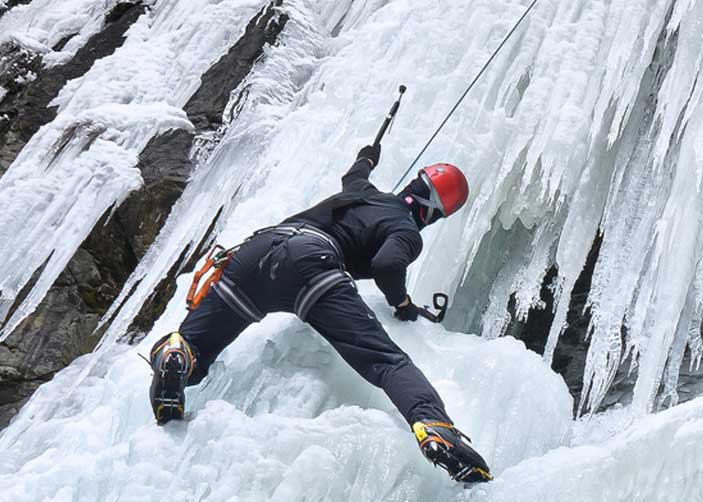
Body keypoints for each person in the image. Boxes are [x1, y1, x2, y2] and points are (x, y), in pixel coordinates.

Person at [146, 144, 491, 484]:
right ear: (436, 212)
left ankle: (178, 353)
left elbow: (353, 175)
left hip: (255, 252)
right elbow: (387, 265)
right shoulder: (406, 231)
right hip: (311, 265)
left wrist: (366, 157)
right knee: (388, 363)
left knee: (195, 353)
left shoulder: (363, 191)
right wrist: (401, 304)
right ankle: (434, 427)